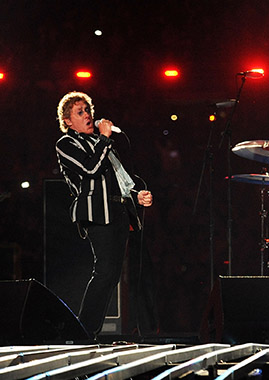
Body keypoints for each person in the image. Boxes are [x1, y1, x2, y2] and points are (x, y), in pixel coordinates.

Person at [55, 91, 153, 336]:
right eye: (80, 112)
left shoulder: (103, 144)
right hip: (96, 213)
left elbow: (120, 179)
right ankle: (82, 331)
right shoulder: (67, 144)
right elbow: (90, 168)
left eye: (88, 110)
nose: (87, 115)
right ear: (68, 121)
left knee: (112, 275)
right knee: (105, 271)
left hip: (118, 212)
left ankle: (89, 331)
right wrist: (104, 138)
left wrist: (137, 194)